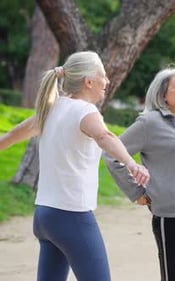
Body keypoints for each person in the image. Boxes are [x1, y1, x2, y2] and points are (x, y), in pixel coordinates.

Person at [0, 51, 149, 281]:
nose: (107, 82)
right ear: (88, 81)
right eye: (103, 76)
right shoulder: (85, 111)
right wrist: (131, 163)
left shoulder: (50, 109)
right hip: (71, 216)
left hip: (44, 216)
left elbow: (11, 135)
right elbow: (104, 136)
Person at [104, 65, 175, 281]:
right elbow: (112, 155)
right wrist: (136, 192)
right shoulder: (149, 123)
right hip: (173, 216)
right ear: (163, 95)